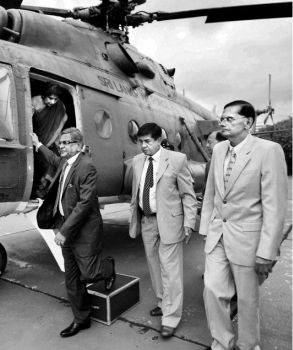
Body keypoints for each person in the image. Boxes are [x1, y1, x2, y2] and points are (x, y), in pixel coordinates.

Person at [199, 100, 287, 350]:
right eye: (222, 119)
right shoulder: (218, 151)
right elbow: (211, 194)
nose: (222, 123)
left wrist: (267, 251)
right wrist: (205, 229)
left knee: (248, 300)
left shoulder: (269, 151)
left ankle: (249, 345)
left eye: (229, 119)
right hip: (218, 235)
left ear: (248, 123)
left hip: (249, 240)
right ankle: (221, 343)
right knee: (212, 291)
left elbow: (275, 206)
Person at [31, 128, 116, 338]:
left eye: (67, 143)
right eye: (60, 143)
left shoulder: (86, 167)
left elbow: (85, 204)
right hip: (64, 227)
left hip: (83, 230)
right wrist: (38, 143)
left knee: (90, 274)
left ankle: (107, 267)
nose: (61, 146)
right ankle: (82, 319)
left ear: (78, 145)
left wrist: (64, 231)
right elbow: (52, 158)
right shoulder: (64, 162)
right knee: (72, 279)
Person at [129, 123, 197, 338]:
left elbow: (188, 194)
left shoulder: (177, 160)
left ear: (159, 140)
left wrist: (189, 222)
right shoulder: (138, 161)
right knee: (154, 266)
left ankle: (171, 317)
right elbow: (137, 191)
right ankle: (162, 302)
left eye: (148, 141)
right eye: (140, 141)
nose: (143, 146)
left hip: (170, 221)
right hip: (148, 221)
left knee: (170, 270)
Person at [32, 83, 68, 198]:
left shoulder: (60, 107)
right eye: (50, 98)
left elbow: (62, 121)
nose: (53, 102)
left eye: (55, 99)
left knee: (50, 165)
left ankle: (43, 193)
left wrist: (47, 144)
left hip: (47, 144)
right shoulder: (34, 102)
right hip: (33, 140)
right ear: (44, 95)